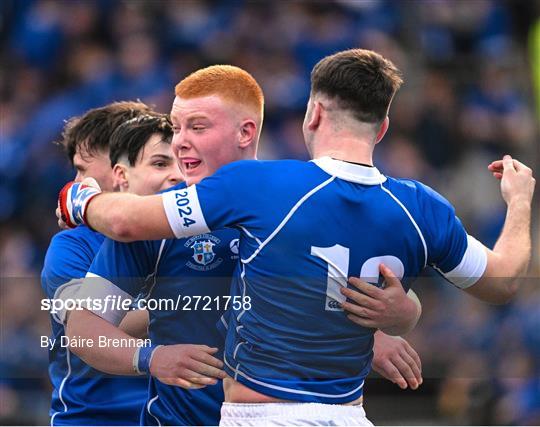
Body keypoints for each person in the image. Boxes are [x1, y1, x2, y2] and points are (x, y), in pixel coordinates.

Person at [56, 50, 536, 425]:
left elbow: (348, 280)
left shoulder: (281, 199)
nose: (178, 140)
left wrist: (395, 316)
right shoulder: (155, 222)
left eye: (195, 127)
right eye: (175, 127)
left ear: (249, 131)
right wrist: (152, 356)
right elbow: (81, 328)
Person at [42, 103, 182, 425]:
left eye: (83, 168)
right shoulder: (70, 246)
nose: (77, 182)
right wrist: (191, 305)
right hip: (94, 419)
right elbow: (93, 327)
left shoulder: (189, 237)